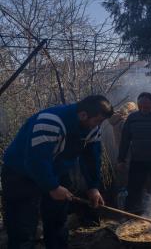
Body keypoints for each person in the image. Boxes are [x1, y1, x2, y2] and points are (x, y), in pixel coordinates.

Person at [1, 95, 114, 249]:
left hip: (56, 171)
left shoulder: (92, 128)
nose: (98, 126)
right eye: (97, 121)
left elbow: (92, 159)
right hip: (20, 174)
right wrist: (52, 187)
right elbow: (35, 160)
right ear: (83, 115)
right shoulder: (51, 121)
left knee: (57, 221)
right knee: (23, 226)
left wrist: (93, 186)